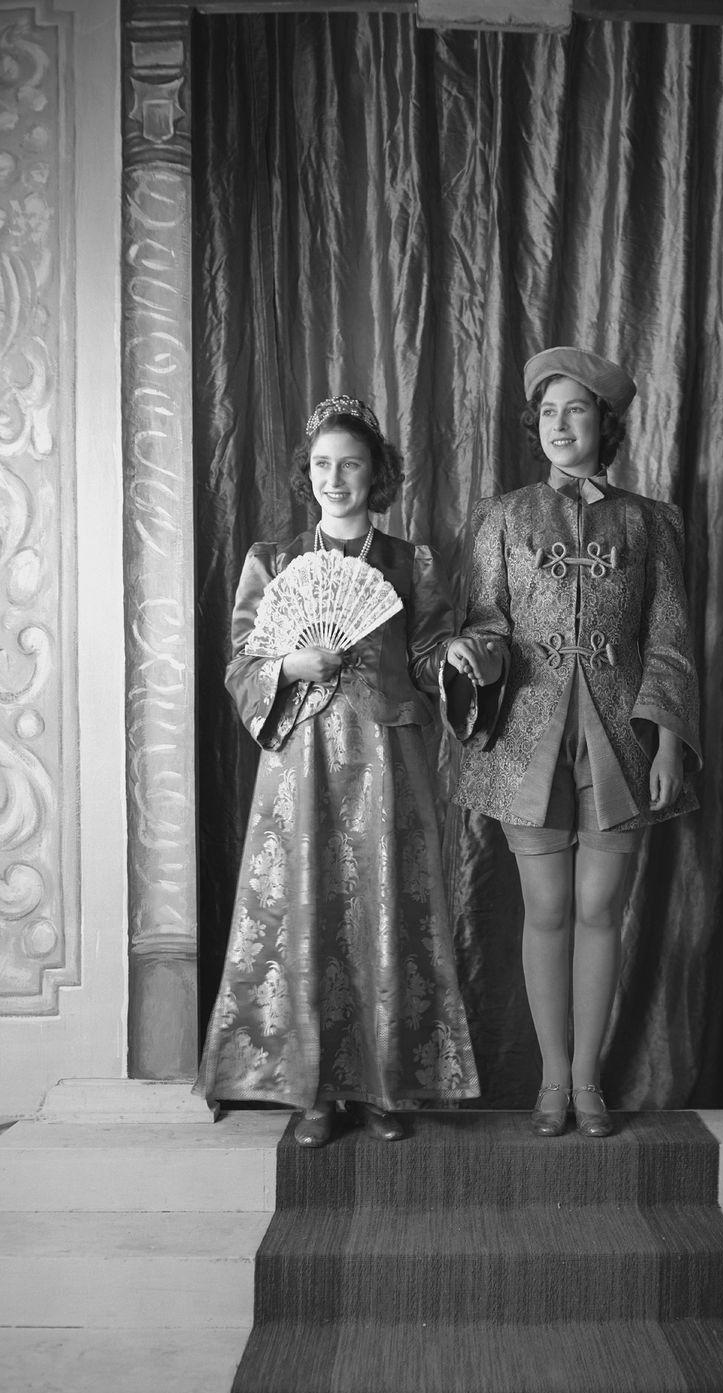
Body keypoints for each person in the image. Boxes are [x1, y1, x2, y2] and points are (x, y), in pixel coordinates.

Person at [195, 396, 480, 1146]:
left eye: (350, 463)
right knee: (307, 911)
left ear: (376, 473)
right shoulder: (274, 561)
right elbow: (241, 664)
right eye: (322, 464)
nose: (334, 478)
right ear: (307, 474)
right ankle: (312, 1092)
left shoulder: (412, 561)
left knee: (387, 911)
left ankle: (389, 1087)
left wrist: (447, 656)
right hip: (300, 766)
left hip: (388, 762)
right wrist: (291, 661)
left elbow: (423, 655)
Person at [445, 347, 701, 1139]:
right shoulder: (501, 516)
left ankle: (590, 1079)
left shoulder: (650, 522)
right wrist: (473, 651)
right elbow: (484, 617)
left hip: (619, 740)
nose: (562, 425)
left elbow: (670, 642)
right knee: (548, 905)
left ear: (606, 423)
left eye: (577, 410)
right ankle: (552, 1080)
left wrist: (667, 742)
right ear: (536, 424)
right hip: (526, 737)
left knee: (600, 905)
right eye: (549, 412)